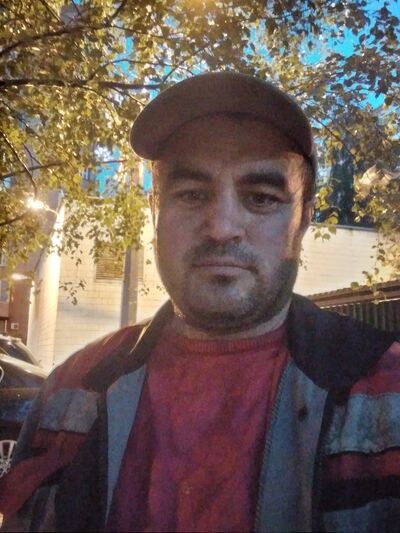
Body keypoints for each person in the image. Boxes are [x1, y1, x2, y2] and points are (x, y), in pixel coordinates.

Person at [0, 72, 399, 532]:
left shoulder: (388, 394)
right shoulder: (68, 392)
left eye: (261, 198)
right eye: (191, 194)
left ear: (304, 218)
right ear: (155, 209)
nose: (222, 227)